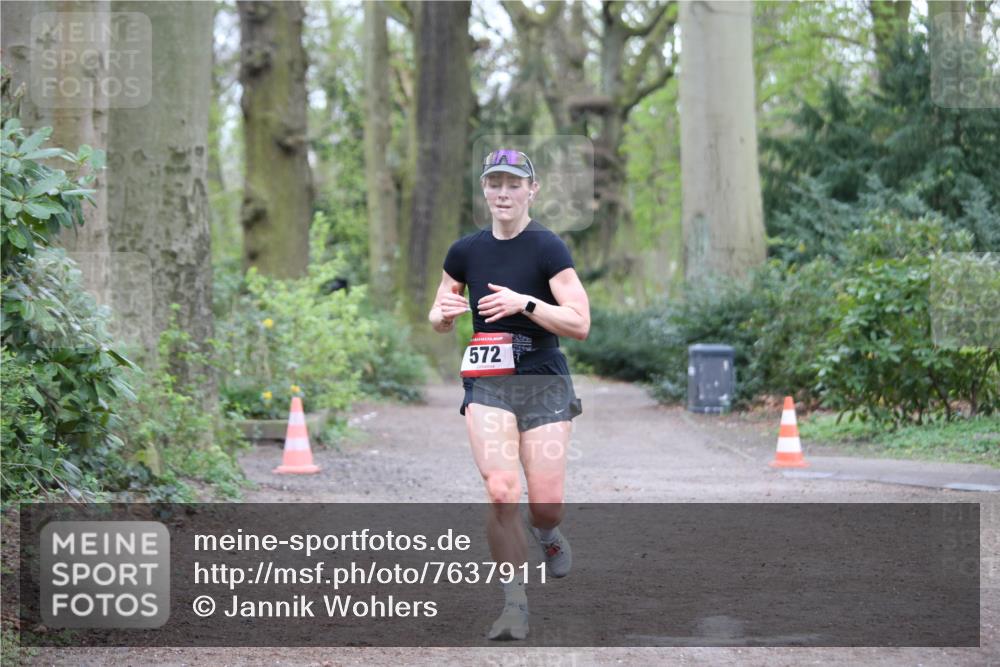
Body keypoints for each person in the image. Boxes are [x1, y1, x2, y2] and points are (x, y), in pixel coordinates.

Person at [428, 149, 590, 640]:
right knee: (501, 490)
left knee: (546, 504)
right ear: (484, 189)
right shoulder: (465, 251)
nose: (504, 191)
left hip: (543, 378)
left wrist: (526, 302)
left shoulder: (548, 248)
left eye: (514, 183)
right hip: (488, 380)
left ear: (531, 190)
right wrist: (445, 314)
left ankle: (546, 533)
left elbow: (579, 323)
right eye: (495, 182)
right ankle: (514, 604)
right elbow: (437, 314)